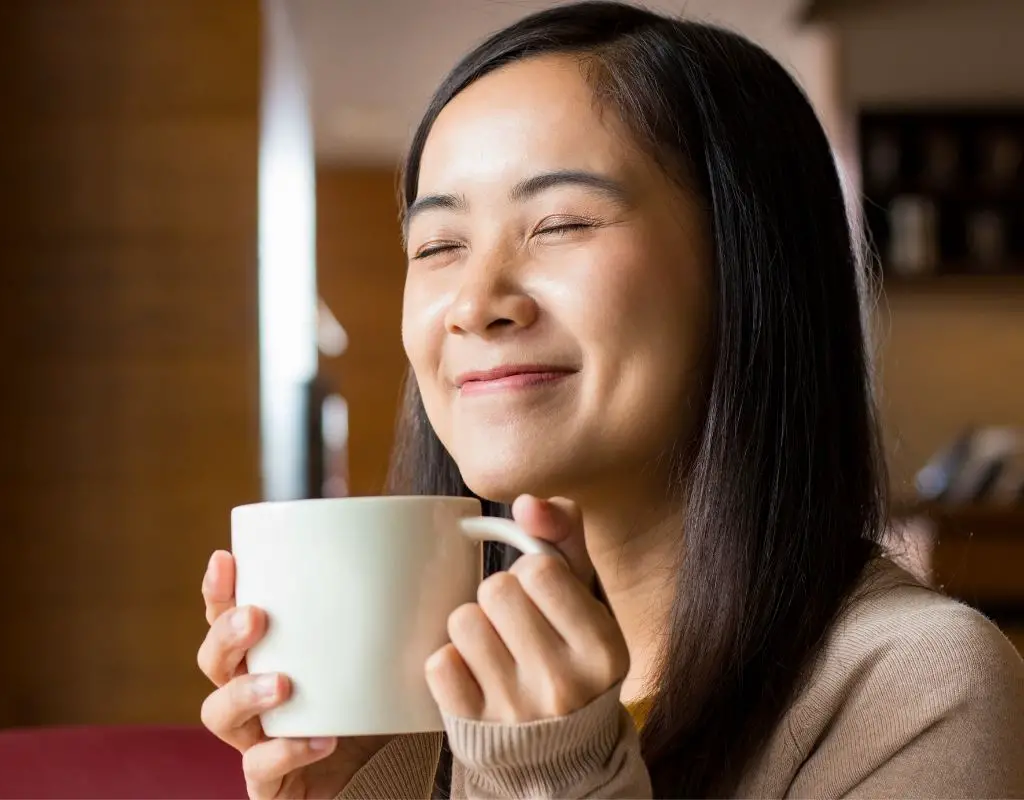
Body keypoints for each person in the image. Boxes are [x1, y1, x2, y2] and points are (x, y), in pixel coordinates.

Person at [197, 2, 1024, 797]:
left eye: (560, 224)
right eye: (439, 244)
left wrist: (556, 777)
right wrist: (368, 795)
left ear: (746, 269)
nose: (475, 300)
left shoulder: (919, 684)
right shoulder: (430, 701)